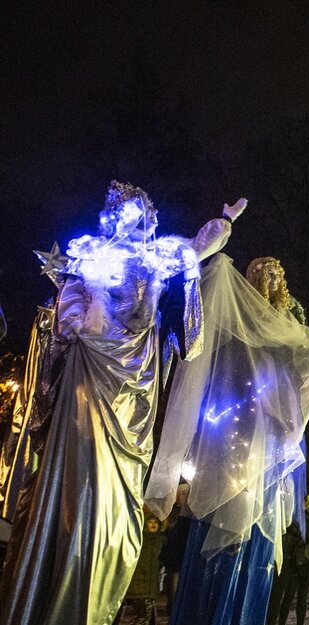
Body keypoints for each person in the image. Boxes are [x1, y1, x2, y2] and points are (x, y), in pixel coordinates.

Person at [0, 181, 245, 625]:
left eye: (139, 214)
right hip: (91, 371)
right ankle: (63, 574)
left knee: (119, 485)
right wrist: (78, 318)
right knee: (82, 474)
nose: (130, 222)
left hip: (136, 384)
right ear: (111, 217)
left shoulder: (157, 256)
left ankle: (96, 578)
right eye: (122, 214)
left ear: (149, 218)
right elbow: (68, 306)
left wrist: (224, 221)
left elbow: (196, 248)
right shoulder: (93, 254)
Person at [144, 254, 309, 625]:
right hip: (232, 445)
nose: (272, 281)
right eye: (265, 276)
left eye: (278, 275)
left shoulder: (285, 329)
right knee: (226, 526)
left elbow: (295, 371)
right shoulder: (235, 335)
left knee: (253, 531)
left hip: (262, 449)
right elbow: (222, 383)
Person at [272, 495, 309, 625]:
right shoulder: (293, 515)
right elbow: (292, 530)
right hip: (295, 561)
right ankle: (281, 622)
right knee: (288, 597)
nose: (307, 503)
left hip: (307, 561)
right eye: (304, 501)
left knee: (302, 598)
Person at [119, 508, 168, 625]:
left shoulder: (159, 538)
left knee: (146, 609)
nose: (153, 524)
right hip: (139, 581)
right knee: (142, 608)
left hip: (148, 581)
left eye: (155, 522)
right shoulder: (139, 538)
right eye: (150, 522)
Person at [159, 484, 192, 617]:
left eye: (183, 495)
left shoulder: (189, 517)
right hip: (174, 560)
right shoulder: (172, 513)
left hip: (182, 559)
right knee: (172, 588)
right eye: (178, 495)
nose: (179, 498)